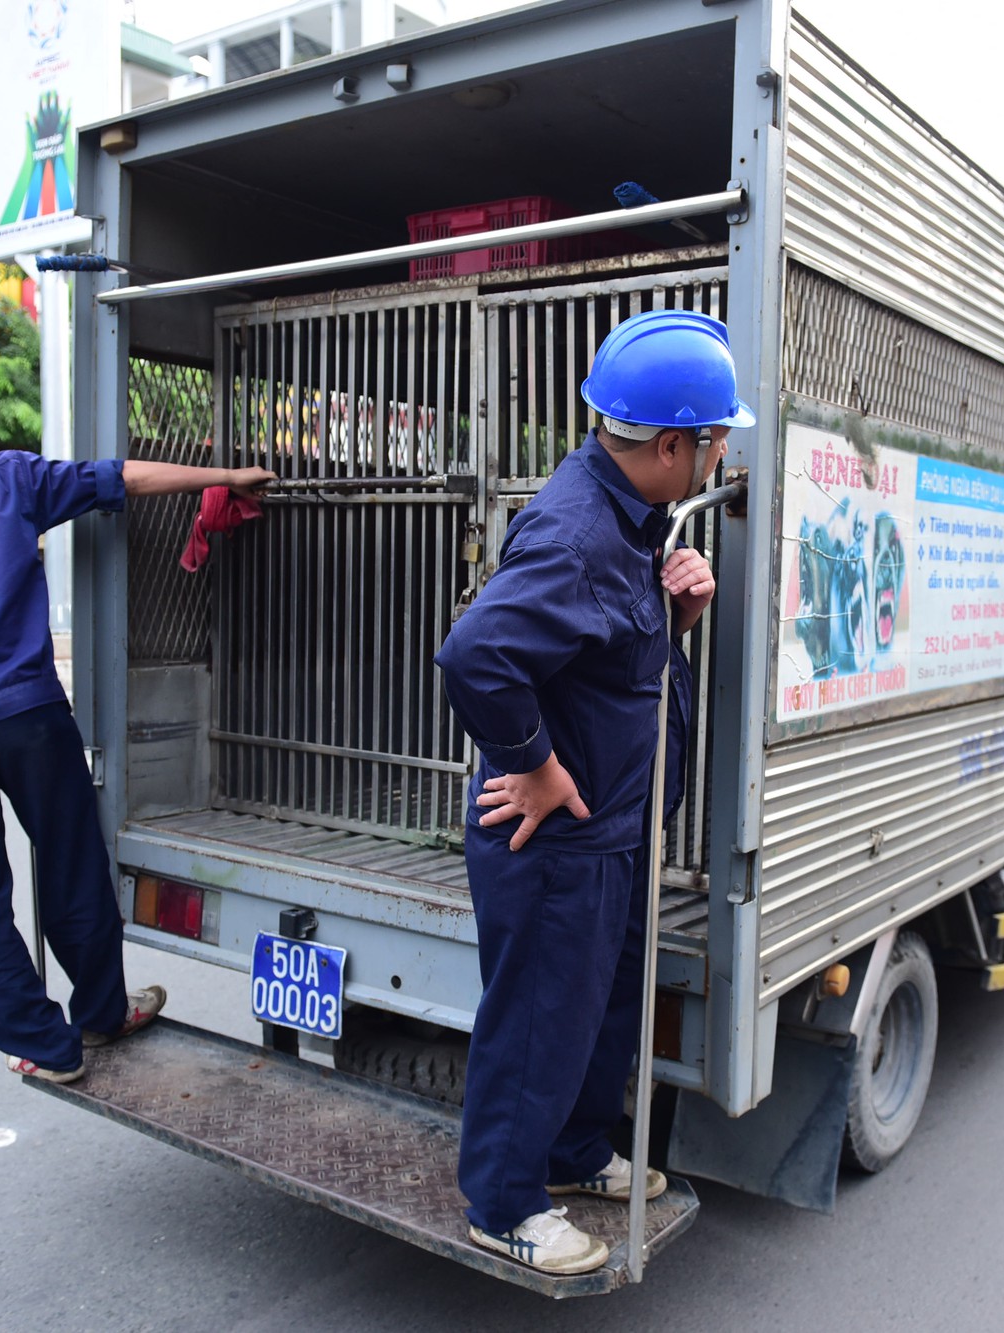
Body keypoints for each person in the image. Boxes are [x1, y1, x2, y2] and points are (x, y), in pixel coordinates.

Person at [0, 362, 275, 1084]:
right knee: (70, 860)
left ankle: (45, 1047)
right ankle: (101, 1011)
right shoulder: (1, 478)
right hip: (25, 712)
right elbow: (120, 477)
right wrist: (226, 475)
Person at [433, 310, 751, 1276]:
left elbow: (606, 663)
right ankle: (503, 1201)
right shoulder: (579, 534)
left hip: (610, 829)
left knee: (598, 1009)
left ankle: (572, 1154)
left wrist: (678, 612)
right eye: (715, 441)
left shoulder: (632, 520)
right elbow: (475, 655)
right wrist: (530, 761)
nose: (720, 456)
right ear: (669, 445)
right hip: (556, 840)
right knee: (539, 1018)